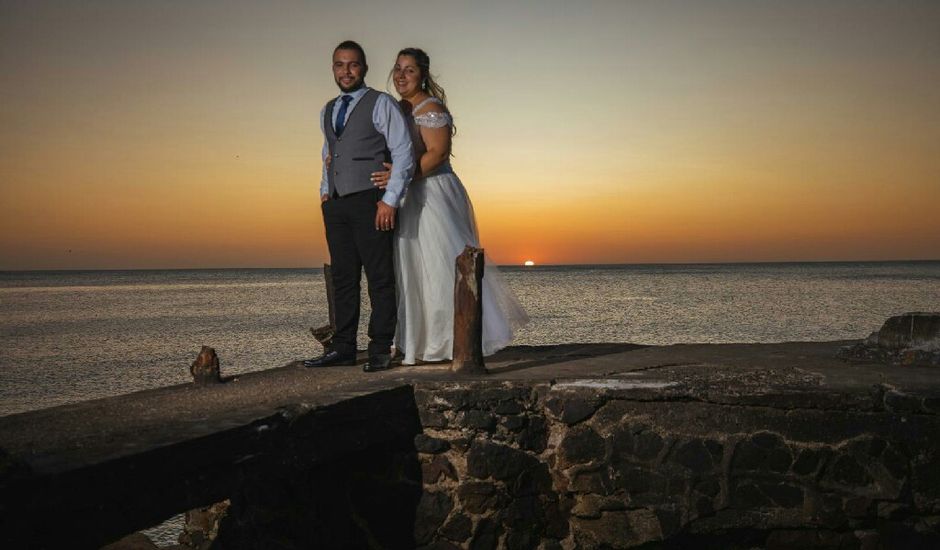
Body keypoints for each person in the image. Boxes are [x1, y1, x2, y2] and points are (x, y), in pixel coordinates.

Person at [377, 47, 527, 365]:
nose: (402, 76)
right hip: (407, 196)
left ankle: (448, 341)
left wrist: (402, 176)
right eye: (398, 69)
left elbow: (438, 153)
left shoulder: (430, 107)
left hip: (431, 194)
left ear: (423, 76)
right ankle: (417, 341)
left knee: (439, 264)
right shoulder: (394, 108)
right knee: (411, 268)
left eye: (410, 70)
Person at [304, 40, 415, 372]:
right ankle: (343, 348)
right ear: (333, 69)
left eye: (352, 65)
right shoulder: (327, 109)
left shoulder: (380, 104)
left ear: (364, 68)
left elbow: (404, 152)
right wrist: (325, 194)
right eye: (340, 64)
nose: (346, 71)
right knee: (343, 277)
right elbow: (328, 154)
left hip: (371, 200)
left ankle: (381, 347)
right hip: (337, 204)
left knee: (380, 277)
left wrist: (389, 200)